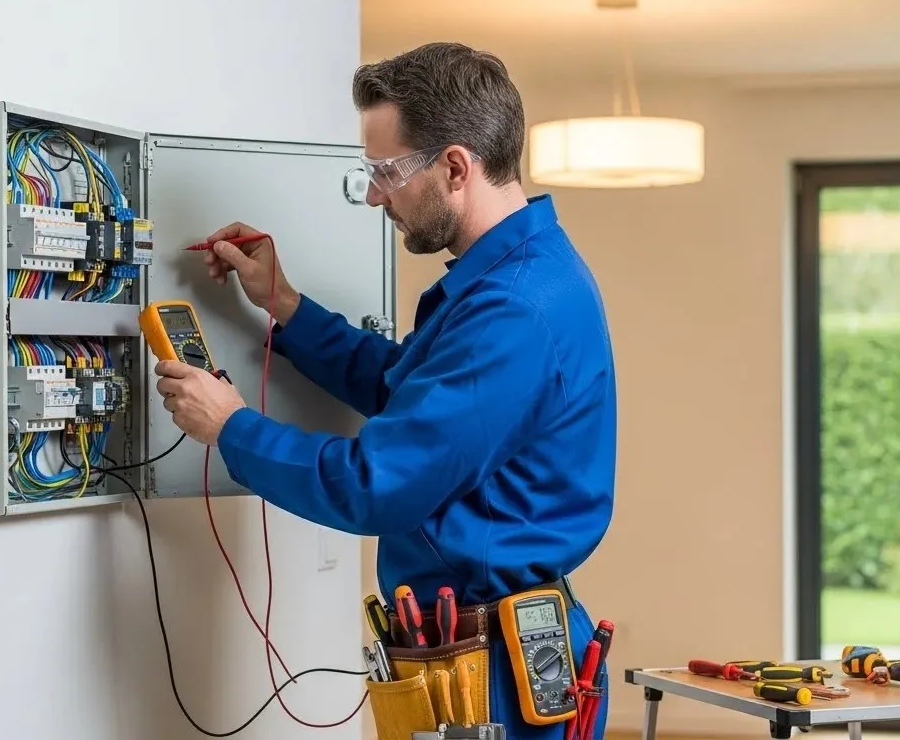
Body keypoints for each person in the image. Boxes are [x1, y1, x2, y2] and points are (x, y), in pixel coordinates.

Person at [154, 42, 617, 739]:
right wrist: (285, 306)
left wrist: (232, 427)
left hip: (489, 674)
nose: (374, 194)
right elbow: (410, 393)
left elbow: (378, 485)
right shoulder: (515, 276)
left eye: (387, 171)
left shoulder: (513, 309)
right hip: (478, 649)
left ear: (455, 166)